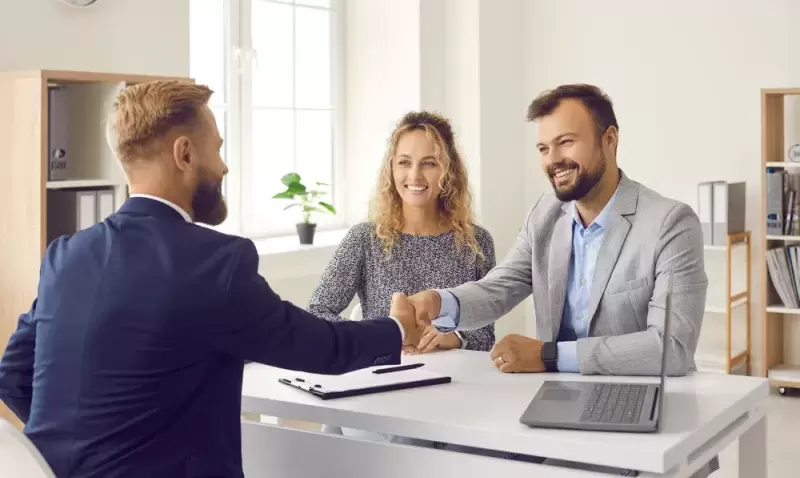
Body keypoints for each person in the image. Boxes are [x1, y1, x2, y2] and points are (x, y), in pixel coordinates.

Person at [0, 80, 421, 478]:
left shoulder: (66, 256)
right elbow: (321, 349)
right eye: (216, 149)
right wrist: (398, 326)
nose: (223, 165)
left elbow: (13, 375)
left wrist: (89, 450)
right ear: (184, 154)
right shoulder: (214, 263)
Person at [407, 84, 717, 476]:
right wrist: (439, 302)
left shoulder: (670, 222)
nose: (553, 160)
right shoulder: (547, 213)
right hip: (559, 402)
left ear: (609, 140)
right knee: (459, 456)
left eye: (565, 142)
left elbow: (671, 348)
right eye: (543, 148)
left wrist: (548, 356)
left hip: (641, 407)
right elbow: (501, 286)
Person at [308, 110, 496, 447]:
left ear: (448, 171)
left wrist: (453, 338)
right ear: (391, 169)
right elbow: (318, 312)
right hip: (378, 396)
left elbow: (485, 334)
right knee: (416, 445)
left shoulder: (477, 243)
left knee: (480, 449)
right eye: (404, 162)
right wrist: (378, 337)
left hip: (452, 393)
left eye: (429, 163)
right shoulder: (365, 240)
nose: (414, 175)